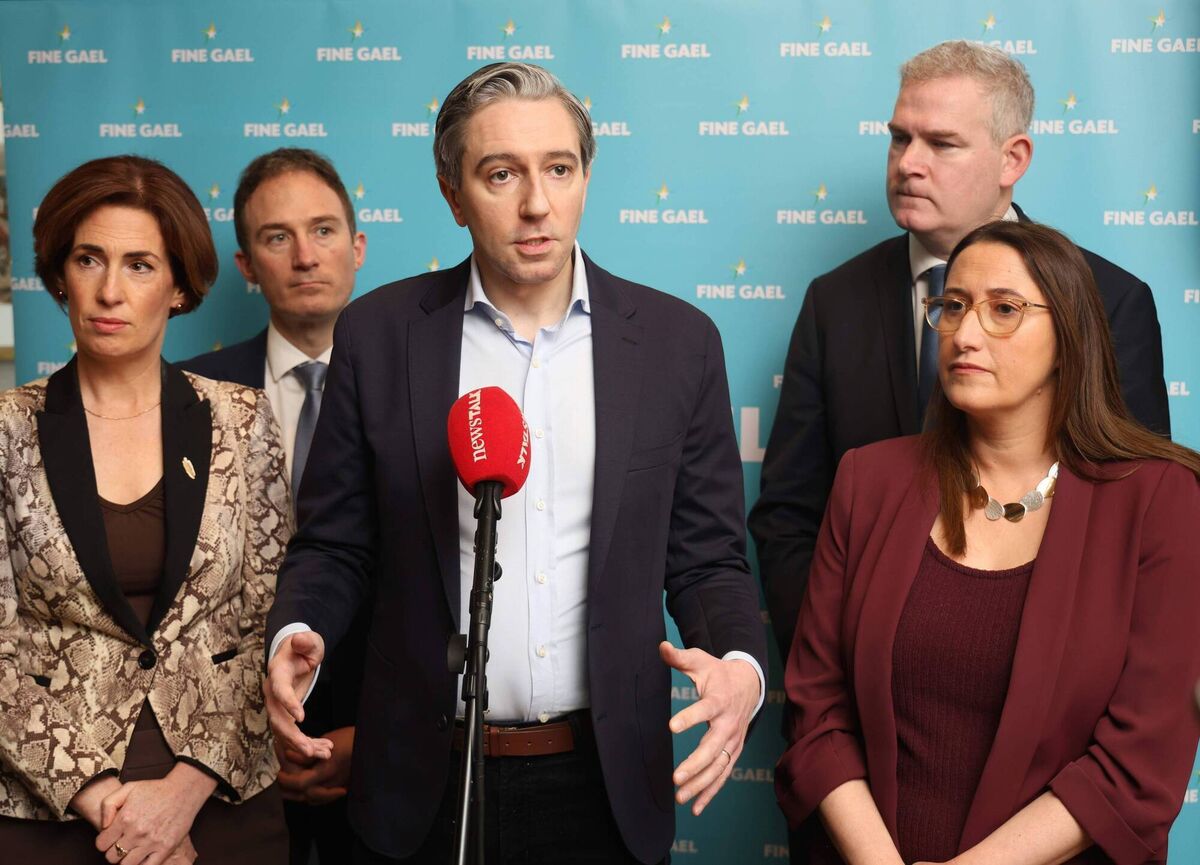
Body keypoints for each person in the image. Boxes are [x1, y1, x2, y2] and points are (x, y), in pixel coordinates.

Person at [262, 62, 768, 865]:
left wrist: (740, 667)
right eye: (502, 174)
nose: (537, 203)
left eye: (558, 170)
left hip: (602, 785)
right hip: (419, 788)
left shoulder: (678, 343)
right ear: (451, 193)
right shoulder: (378, 334)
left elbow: (707, 558)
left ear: (585, 177)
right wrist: (300, 627)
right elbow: (335, 543)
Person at [775, 219, 1200, 865]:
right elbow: (818, 712)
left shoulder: (1158, 499)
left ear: (1069, 337)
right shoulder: (868, 480)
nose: (965, 334)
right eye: (952, 306)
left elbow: (1138, 761)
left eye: (1003, 309)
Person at [749, 40, 1171, 660]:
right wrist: (831, 677)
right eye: (899, 138)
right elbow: (789, 517)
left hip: (1049, 693)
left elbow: (1138, 521)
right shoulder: (834, 301)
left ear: (1013, 158)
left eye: (941, 144)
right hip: (865, 693)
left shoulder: (1111, 301)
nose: (908, 164)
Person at [0, 155, 291, 863]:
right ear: (59, 275)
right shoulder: (7, 428)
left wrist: (185, 789)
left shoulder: (242, 421)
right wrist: (106, 803)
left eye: (138, 265)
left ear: (180, 287)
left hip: (219, 799)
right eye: (88, 258)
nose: (107, 290)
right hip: (52, 808)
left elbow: (269, 620)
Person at [181, 147, 368, 865]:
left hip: (385, 757)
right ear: (246, 266)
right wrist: (245, 740)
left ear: (357, 247)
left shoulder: (424, 392)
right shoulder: (188, 398)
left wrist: (372, 738)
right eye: (275, 237)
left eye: (323, 231)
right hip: (226, 763)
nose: (304, 256)